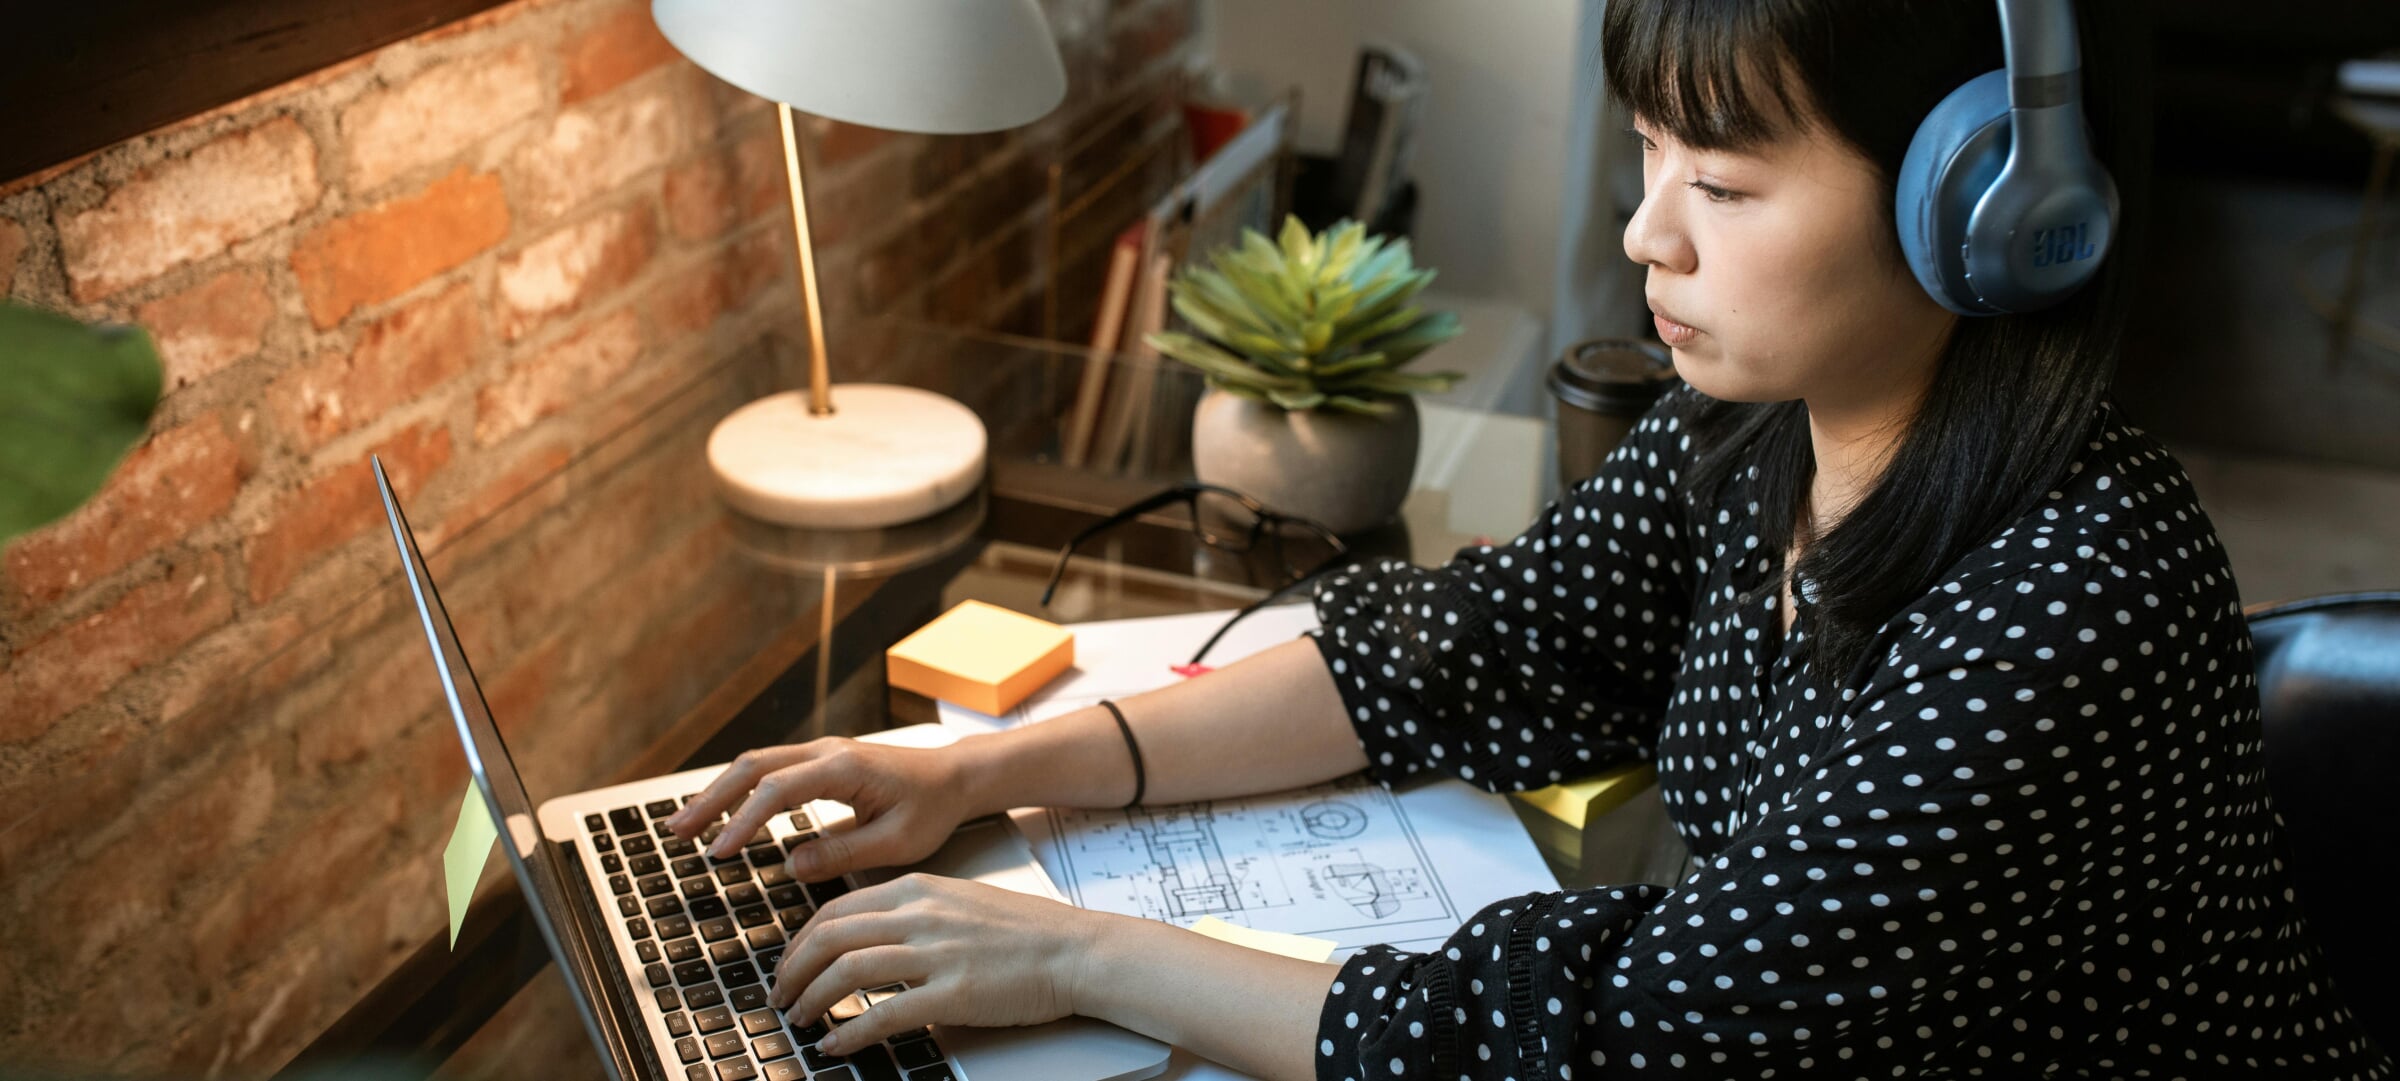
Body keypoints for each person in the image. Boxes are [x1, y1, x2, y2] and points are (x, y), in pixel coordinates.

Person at [665, 2, 2397, 1078]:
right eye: (1648, 154)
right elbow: (1461, 643)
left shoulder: (2079, 592)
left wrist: (1069, 951)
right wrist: (998, 774)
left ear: (1986, 212)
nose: (1646, 234)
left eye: (1720, 185)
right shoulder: (1751, 434)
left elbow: (1640, 1038)